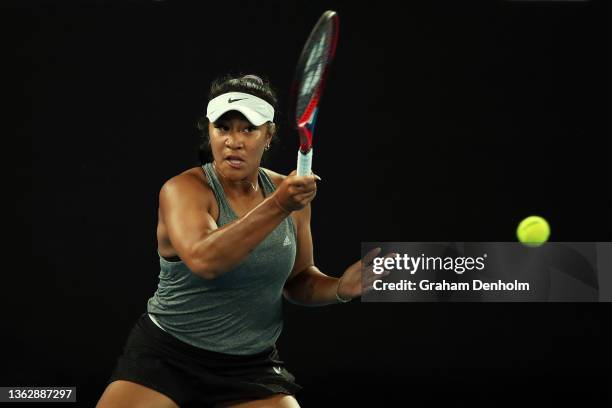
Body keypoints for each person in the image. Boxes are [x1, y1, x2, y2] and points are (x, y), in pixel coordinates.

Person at [96, 74, 384, 408]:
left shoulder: (289, 196)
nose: (234, 141)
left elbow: (298, 281)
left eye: (248, 129)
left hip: (249, 367)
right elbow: (206, 261)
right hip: (168, 356)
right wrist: (278, 205)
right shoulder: (183, 190)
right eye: (223, 128)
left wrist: (339, 288)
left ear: (269, 135)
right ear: (210, 132)